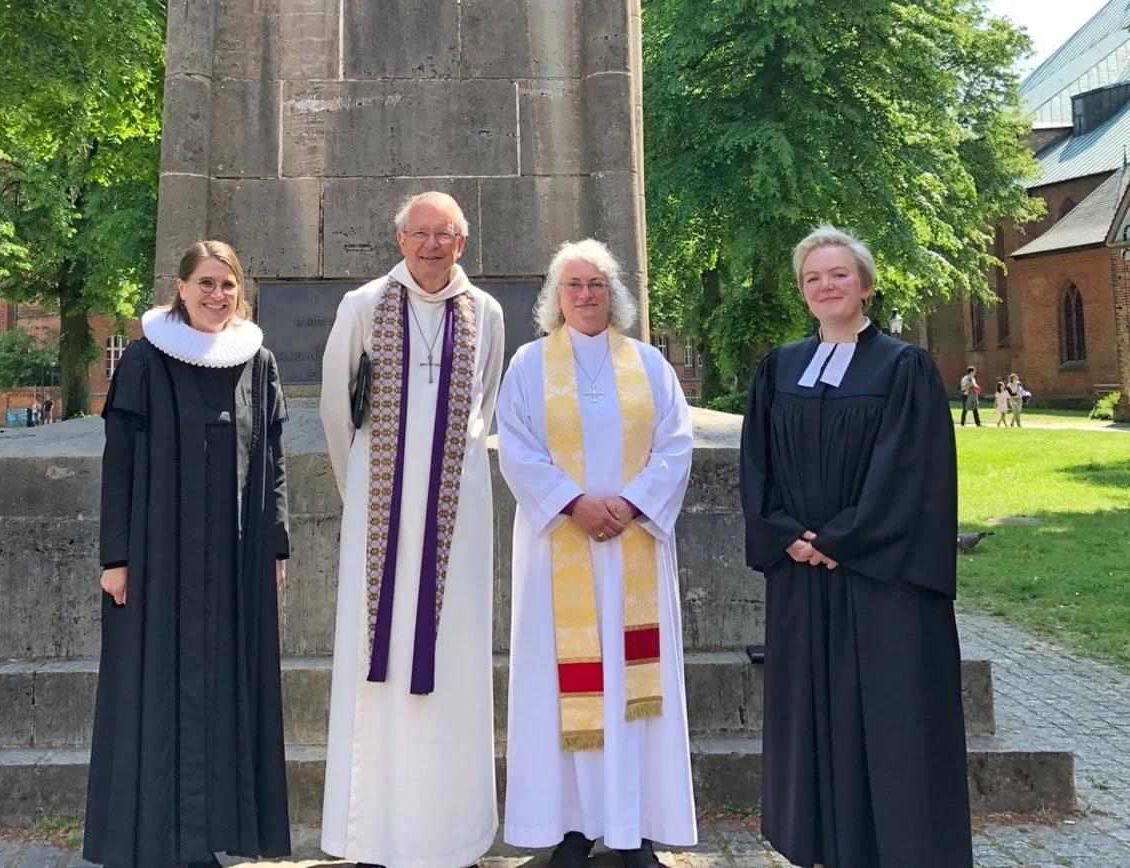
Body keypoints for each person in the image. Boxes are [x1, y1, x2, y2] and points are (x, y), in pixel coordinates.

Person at [739, 224, 971, 868]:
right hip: (802, 579)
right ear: (802, 292)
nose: (826, 285)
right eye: (813, 277)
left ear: (865, 286)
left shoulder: (903, 366)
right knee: (812, 718)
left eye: (838, 274)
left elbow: (910, 470)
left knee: (890, 721)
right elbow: (756, 467)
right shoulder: (780, 367)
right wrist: (787, 537)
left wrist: (841, 539)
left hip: (879, 579)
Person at [85, 241, 291, 868]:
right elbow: (119, 464)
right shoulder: (146, 361)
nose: (215, 295)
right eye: (204, 283)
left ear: (240, 291)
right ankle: (160, 842)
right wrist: (115, 557)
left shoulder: (258, 362)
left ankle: (214, 835)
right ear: (180, 288)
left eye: (227, 285)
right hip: (157, 559)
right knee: (158, 687)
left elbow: (274, 462)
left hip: (234, 558)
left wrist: (276, 546)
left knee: (228, 687)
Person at [318, 192, 506, 868]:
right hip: (381, 521)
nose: (431, 246)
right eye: (419, 233)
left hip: (458, 517)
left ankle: (449, 834)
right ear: (399, 239)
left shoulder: (486, 312)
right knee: (379, 665)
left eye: (445, 234)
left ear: (463, 240)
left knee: (451, 662)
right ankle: (374, 834)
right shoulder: (363, 306)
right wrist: (366, 495)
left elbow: (483, 405)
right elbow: (339, 412)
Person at [496, 240, 697, 868]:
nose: (586, 295)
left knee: (636, 691)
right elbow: (518, 448)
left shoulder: (649, 365)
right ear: (556, 297)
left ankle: (632, 831)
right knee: (563, 691)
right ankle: (573, 828)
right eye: (574, 284)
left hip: (633, 545)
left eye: (598, 284)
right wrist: (574, 503)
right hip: (562, 551)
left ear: (616, 295)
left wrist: (633, 504)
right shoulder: (529, 365)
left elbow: (676, 443)